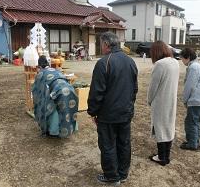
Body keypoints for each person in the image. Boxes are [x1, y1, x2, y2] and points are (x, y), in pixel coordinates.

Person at [87, 32, 138, 185]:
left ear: (107, 45)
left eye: (101, 44)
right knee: (124, 143)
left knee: (108, 145)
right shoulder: (130, 61)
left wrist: (93, 111)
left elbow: (97, 91)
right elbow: (134, 89)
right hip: (125, 112)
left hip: (108, 115)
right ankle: (122, 173)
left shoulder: (104, 62)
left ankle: (112, 176)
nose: (100, 46)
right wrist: (129, 106)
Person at [147, 41, 179, 166]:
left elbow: (153, 87)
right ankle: (166, 155)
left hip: (161, 101)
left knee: (160, 128)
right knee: (169, 126)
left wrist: (149, 100)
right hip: (171, 99)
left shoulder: (159, 64)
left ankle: (162, 157)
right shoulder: (174, 62)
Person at [32, 55, 78, 138]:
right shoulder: (56, 70)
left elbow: (37, 91)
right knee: (68, 108)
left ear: (39, 66)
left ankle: (55, 131)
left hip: (58, 91)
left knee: (52, 107)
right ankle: (71, 128)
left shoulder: (40, 73)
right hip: (70, 89)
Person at [179, 48, 200, 151]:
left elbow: (190, 86)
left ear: (187, 57)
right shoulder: (197, 66)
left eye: (182, 58)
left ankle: (192, 144)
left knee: (191, 122)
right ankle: (195, 141)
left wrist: (185, 100)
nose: (181, 61)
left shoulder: (193, 67)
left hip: (197, 100)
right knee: (196, 121)